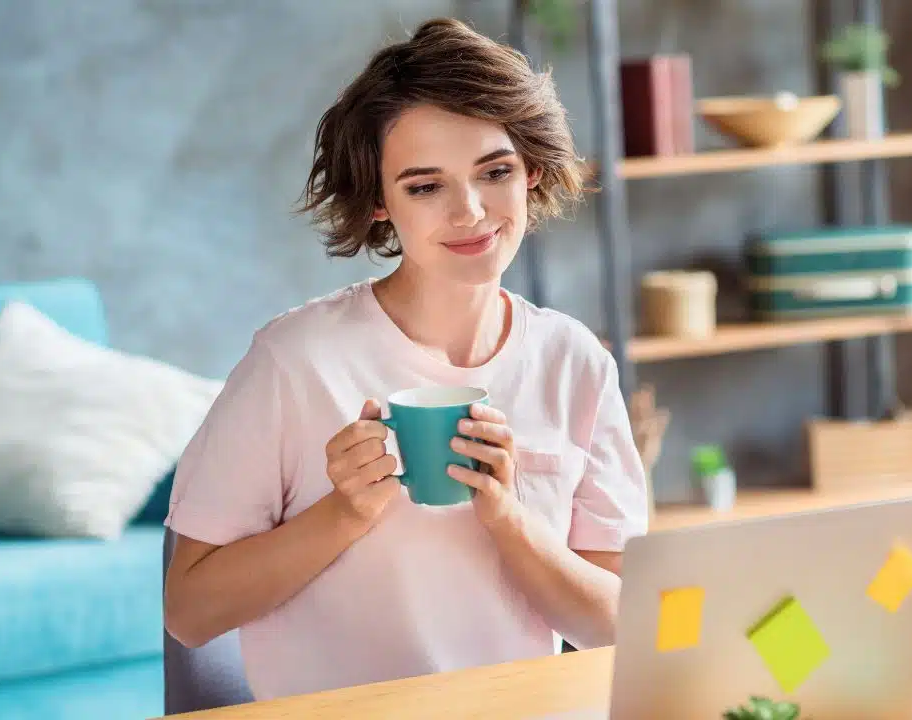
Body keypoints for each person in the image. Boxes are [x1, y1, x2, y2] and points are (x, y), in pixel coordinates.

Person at [162, 17, 649, 701]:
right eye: (425, 186)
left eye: (496, 172)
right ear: (379, 203)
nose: (472, 211)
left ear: (531, 170)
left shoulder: (575, 364)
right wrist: (343, 514)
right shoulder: (295, 361)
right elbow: (189, 612)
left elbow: (620, 623)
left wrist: (509, 522)